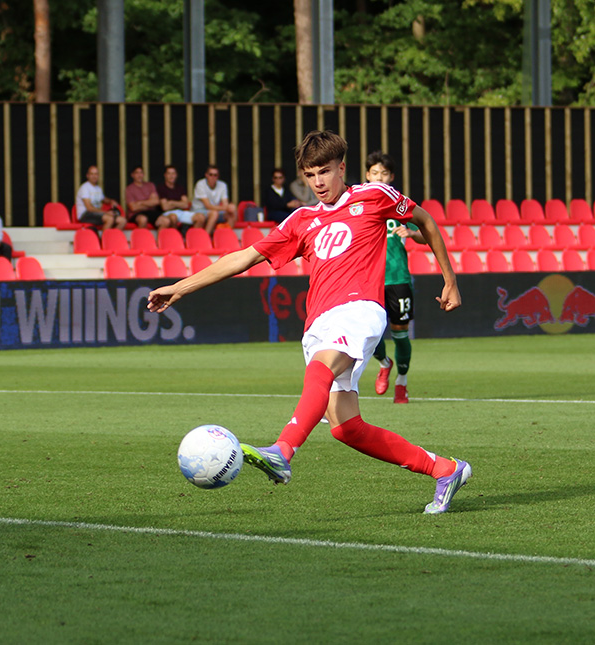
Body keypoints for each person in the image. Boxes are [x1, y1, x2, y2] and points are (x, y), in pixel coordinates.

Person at [147, 130, 471, 514]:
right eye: (310, 174)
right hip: (319, 321)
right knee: (345, 426)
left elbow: (425, 221)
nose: (318, 182)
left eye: (325, 171)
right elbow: (243, 257)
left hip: (361, 309)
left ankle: (283, 449)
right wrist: (181, 288)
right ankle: (446, 469)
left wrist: (449, 279)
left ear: (342, 168)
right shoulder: (301, 220)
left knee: (320, 369)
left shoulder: (373, 195)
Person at [365, 151, 421, 404]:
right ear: (368, 175)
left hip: (397, 278)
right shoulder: (357, 204)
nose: (379, 178)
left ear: (391, 177)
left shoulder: (401, 204)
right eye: (375, 173)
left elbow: (425, 234)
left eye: (384, 174)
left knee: (400, 334)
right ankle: (384, 363)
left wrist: (410, 232)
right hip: (369, 280)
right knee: (370, 334)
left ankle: (402, 383)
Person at [76, 165, 126, 230]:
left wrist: (111, 201)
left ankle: (112, 238)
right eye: (92, 174)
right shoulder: (84, 188)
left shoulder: (98, 188)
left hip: (97, 214)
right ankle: (103, 240)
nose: (94, 176)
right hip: (85, 215)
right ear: (87, 176)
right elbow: (89, 208)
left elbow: (104, 199)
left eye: (96, 174)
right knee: (109, 219)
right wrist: (106, 212)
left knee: (122, 221)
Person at [191, 164, 237, 234]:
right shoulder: (200, 184)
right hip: (199, 211)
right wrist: (226, 207)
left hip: (215, 210)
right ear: (206, 175)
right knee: (214, 214)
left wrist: (230, 208)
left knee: (233, 211)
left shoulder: (223, 185)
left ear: (218, 176)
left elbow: (225, 203)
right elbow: (208, 206)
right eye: (210, 174)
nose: (213, 177)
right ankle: (206, 238)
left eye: (215, 175)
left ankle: (227, 236)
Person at [155, 164, 202, 231]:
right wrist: (179, 203)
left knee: (200, 217)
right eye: (169, 173)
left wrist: (171, 202)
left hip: (181, 212)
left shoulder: (180, 188)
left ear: (176, 175)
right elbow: (165, 207)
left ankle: (193, 239)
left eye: (173, 173)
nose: (171, 176)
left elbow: (185, 204)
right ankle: (176, 239)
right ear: (165, 175)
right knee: (173, 217)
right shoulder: (161, 188)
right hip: (167, 213)